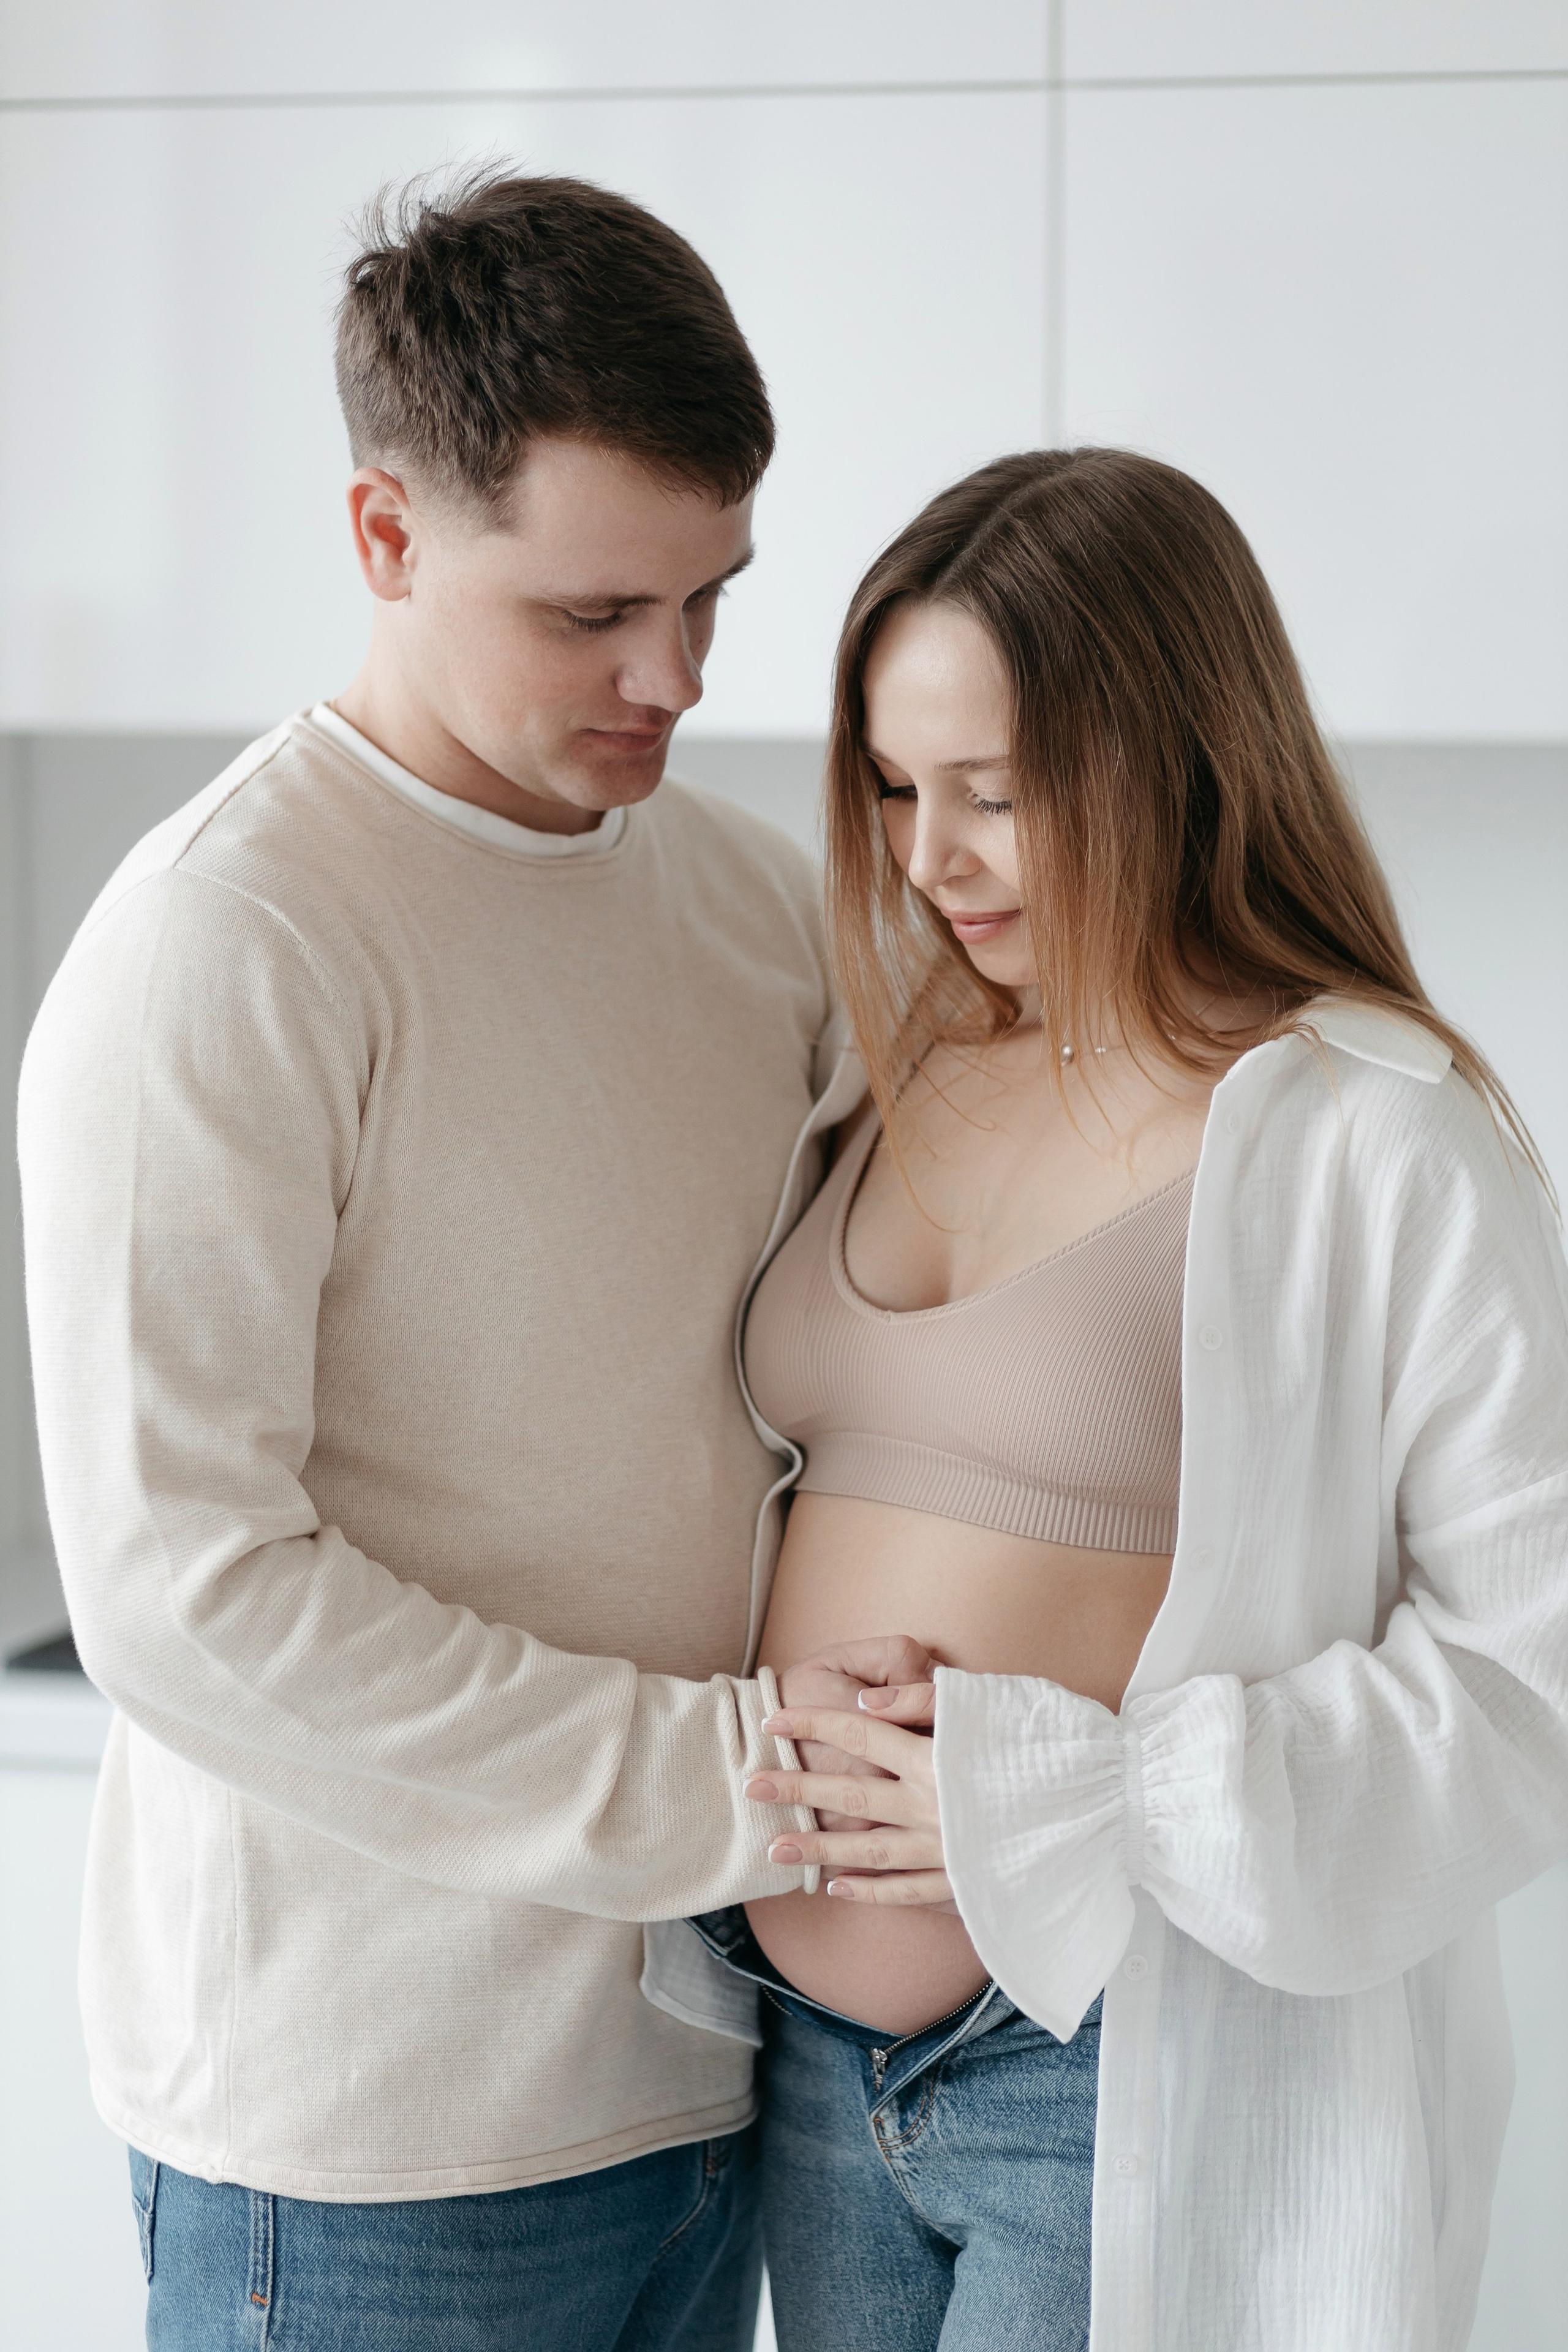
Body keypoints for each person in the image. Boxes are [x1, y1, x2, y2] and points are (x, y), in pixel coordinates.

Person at [17, 166, 909, 2351]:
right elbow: (187, 1596)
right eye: (595, 611)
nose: (676, 676)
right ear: (388, 539)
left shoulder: (739, 907)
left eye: (714, 596)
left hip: (708, 2071)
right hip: (372, 2147)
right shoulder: (227, 945)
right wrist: (737, 1781)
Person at [708, 448, 1568, 2350]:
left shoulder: (1377, 1136)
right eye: (896, 787)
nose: (933, 859)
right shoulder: (894, 1070)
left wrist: (1073, 1801)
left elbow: (1532, 1679)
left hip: (1104, 2056)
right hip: (802, 2070)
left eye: (1000, 796)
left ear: (1174, 755)